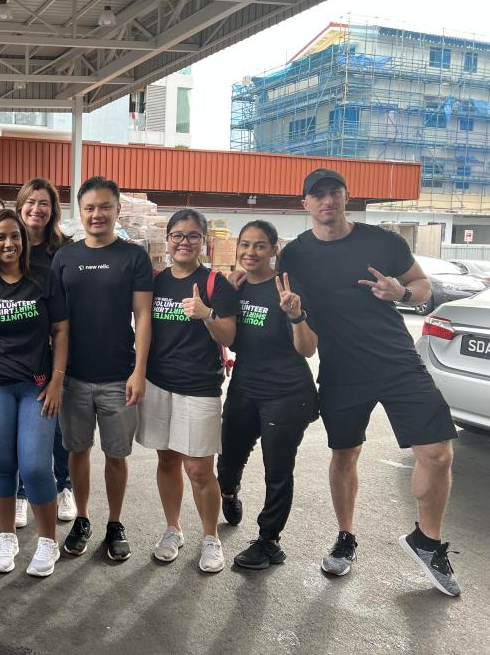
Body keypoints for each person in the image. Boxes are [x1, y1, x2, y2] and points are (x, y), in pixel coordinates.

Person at [277, 168, 460, 596]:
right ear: (304, 203)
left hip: (397, 361)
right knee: (345, 455)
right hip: (342, 370)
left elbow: (422, 285)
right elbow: (296, 323)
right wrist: (293, 314)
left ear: (346, 197)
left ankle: (427, 542)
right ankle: (345, 537)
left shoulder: (383, 241)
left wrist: (401, 293)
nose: (327, 201)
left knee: (437, 454)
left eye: (334, 193)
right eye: (317, 195)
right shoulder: (295, 256)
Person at [0, 210, 69, 576]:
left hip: (36, 387)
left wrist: (56, 380)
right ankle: (6, 537)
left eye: (15, 236)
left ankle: (48, 541)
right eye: (0, 237)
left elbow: (61, 332)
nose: (8, 243)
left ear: (24, 240)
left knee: (36, 466)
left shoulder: (44, 278)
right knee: (2, 467)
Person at [51, 175, 153, 561]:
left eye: (104, 207)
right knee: (77, 450)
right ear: (80, 212)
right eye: (90, 207)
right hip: (74, 376)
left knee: (115, 454)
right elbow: (56, 323)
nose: (97, 214)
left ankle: (114, 522)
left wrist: (139, 370)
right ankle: (82, 517)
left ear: (117, 210)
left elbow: (143, 316)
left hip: (118, 376)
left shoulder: (134, 257)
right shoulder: (66, 256)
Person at [136, 209, 237, 572]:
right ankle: (172, 529)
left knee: (198, 469)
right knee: (166, 460)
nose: (184, 242)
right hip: (158, 384)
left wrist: (206, 313)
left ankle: (210, 537)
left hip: (199, 387)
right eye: (177, 235)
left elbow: (229, 336)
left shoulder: (215, 284)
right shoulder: (156, 280)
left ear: (203, 242)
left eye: (192, 236)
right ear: (168, 240)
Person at [216, 220, 318, 570]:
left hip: (286, 393)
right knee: (227, 459)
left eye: (260, 245)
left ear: (274, 249)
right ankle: (229, 492)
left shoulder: (289, 288)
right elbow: (226, 336)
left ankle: (269, 540)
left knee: (277, 470)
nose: (250, 252)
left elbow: (307, 349)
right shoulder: (235, 287)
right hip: (245, 386)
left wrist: (296, 315)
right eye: (245, 244)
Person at [14, 177, 75, 526]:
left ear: (52, 210)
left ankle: (64, 485)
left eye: (44, 203)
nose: (36, 209)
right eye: (31, 202)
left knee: (56, 424)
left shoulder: (63, 249)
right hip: (19, 351)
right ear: (20, 205)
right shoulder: (6, 244)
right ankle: (22, 492)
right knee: (23, 425)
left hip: (57, 346)